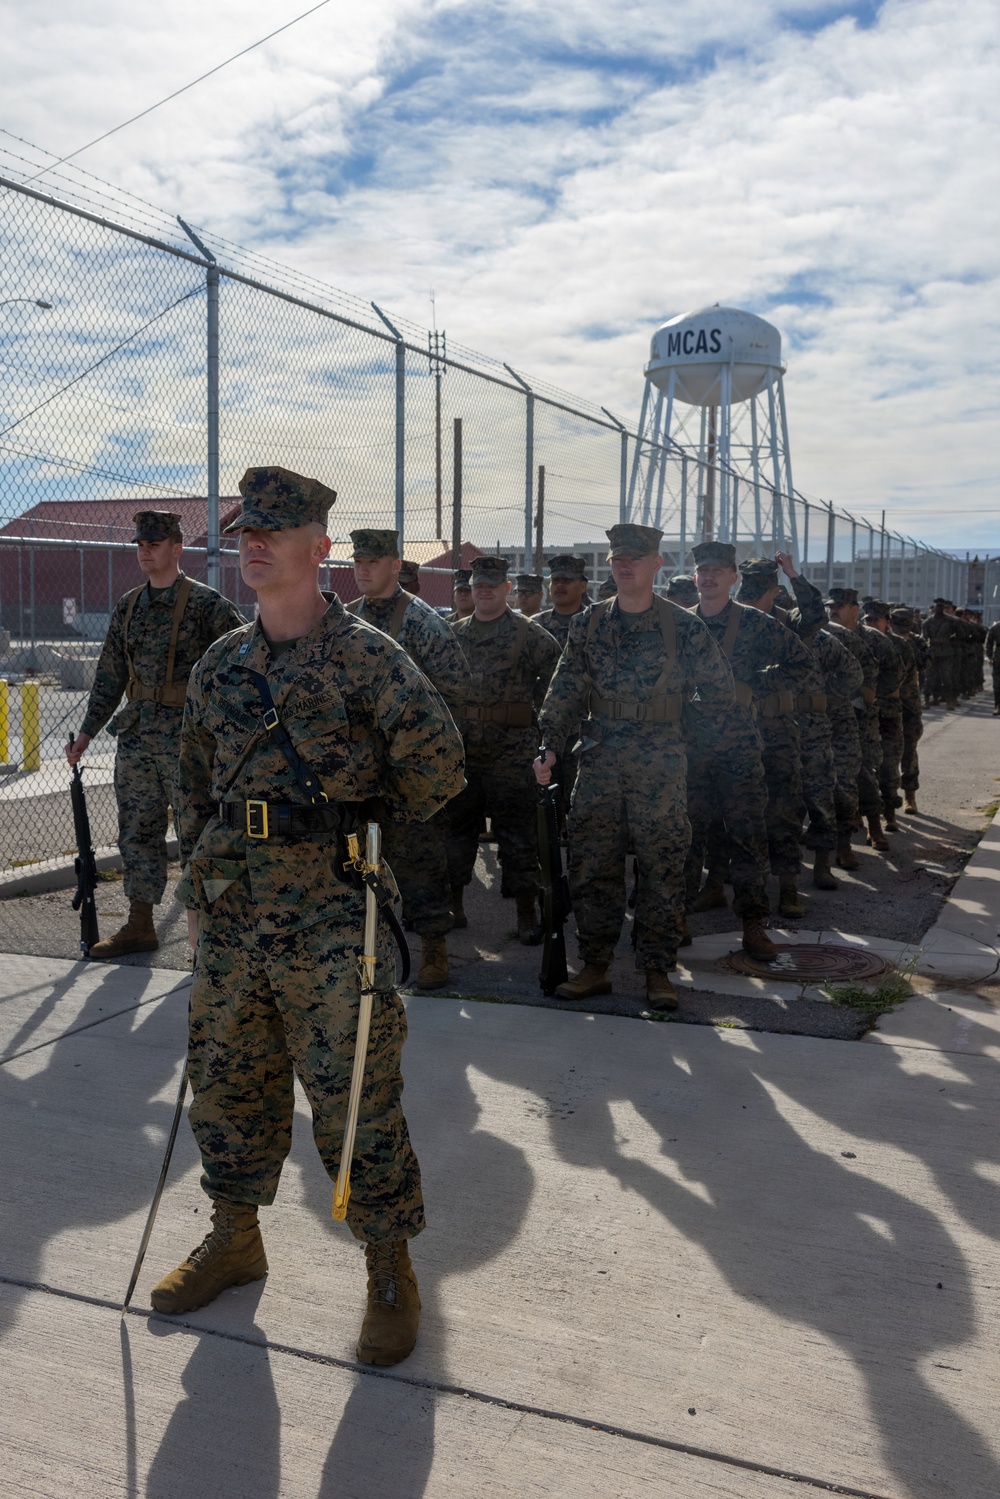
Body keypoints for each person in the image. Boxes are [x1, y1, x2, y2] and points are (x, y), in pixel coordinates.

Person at [151, 466, 464, 1369]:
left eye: (276, 531)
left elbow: (438, 770)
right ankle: (235, 1235)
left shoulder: (367, 657)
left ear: (319, 548)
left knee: (355, 1094)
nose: (254, 544)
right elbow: (195, 787)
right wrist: (204, 895)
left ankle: (388, 1268)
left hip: (334, 910)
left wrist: (354, 827)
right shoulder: (221, 662)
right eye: (247, 528)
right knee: (227, 1079)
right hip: (236, 907)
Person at [534, 523, 744, 1012]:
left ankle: (657, 969)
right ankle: (595, 966)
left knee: (662, 867)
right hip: (600, 760)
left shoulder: (683, 626)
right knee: (592, 865)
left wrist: (678, 733)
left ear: (656, 565)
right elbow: (564, 688)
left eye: (634, 559)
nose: (624, 566)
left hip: (662, 766)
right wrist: (549, 746)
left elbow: (720, 693)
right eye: (616, 559)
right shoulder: (588, 624)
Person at [65, 510, 245, 958]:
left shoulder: (208, 606)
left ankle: (212, 933)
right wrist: (88, 731)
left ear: (177, 548)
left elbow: (243, 667)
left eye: (154, 544)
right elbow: (110, 674)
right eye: (140, 545)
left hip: (190, 742)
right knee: (137, 831)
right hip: (138, 736)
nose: (145, 551)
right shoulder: (129, 606)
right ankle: (140, 924)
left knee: (199, 833)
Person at [347, 528, 470, 989]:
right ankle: (365, 953)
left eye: (373, 561)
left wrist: (417, 752)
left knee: (420, 863)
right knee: (357, 863)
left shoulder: (422, 622)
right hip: (358, 773)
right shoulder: (345, 620)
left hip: (407, 773)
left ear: (395, 565)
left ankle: (434, 951)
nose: (362, 568)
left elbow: (455, 692)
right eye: (357, 560)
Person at [691, 541, 814, 918]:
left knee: (758, 827)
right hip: (694, 745)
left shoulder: (755, 622)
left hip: (749, 742)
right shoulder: (681, 622)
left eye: (717, 571)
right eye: (702, 570)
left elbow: (801, 662)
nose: (708, 577)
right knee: (697, 830)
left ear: (732, 578)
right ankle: (703, 894)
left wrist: (755, 687)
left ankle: (763, 914)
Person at [447, 556, 561, 941]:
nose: (484, 591)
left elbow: (558, 686)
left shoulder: (529, 636)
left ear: (506, 589)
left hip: (512, 753)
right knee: (457, 833)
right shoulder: (454, 634)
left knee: (517, 837)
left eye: (492, 586)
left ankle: (526, 915)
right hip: (464, 753)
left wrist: (544, 733)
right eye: (479, 585)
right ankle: (455, 906)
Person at [736, 555, 839, 892]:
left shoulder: (786, 623)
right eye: (745, 589)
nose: (749, 597)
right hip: (735, 728)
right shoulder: (732, 619)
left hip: (777, 727)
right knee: (733, 809)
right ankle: (721, 884)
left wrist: (794, 574)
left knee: (784, 809)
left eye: (758, 590)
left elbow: (815, 615)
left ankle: (789, 887)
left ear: (774, 591)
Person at [825, 588, 889, 852]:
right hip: (828, 715)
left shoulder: (872, 639)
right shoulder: (825, 634)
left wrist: (872, 699)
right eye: (831, 606)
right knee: (830, 777)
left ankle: (875, 826)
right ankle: (842, 833)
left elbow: (893, 671)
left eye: (840, 606)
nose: (834, 610)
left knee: (863, 772)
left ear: (855, 608)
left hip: (862, 716)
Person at [860, 599, 905, 832]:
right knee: (863, 766)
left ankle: (889, 812)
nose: (871, 623)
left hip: (888, 714)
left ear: (887, 622)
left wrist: (876, 692)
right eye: (867, 619)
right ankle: (862, 815)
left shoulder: (898, 644)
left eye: (875, 620)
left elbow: (901, 677)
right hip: (863, 714)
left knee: (888, 765)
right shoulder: (855, 640)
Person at [890, 607, 925, 814]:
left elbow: (926, 662)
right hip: (886, 703)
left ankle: (910, 795)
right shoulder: (884, 641)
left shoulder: (917, 641)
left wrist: (910, 644)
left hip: (909, 704)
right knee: (886, 753)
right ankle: (888, 798)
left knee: (909, 750)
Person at [535, 555, 592, 647]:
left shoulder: (594, 622)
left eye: (567, 580)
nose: (560, 585)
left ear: (582, 586)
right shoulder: (535, 624)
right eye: (555, 580)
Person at [922, 599, 960, 709]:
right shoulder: (927, 622)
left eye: (941, 606)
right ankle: (927, 699)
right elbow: (923, 638)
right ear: (934, 607)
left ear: (943, 608)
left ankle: (949, 700)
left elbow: (960, 634)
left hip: (946, 652)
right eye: (937, 606)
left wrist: (950, 641)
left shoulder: (951, 621)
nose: (939, 609)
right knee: (930, 678)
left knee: (947, 678)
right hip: (933, 652)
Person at [986, 617, 1000, 715]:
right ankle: (998, 705)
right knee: (997, 684)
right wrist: (990, 657)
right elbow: (989, 643)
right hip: (998, 657)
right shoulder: (995, 628)